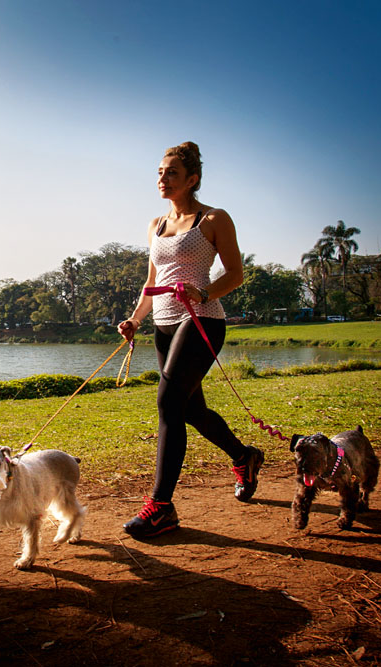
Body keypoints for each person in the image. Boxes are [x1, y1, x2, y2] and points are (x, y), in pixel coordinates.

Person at [117, 141, 264, 539]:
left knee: (167, 401)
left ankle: (161, 508)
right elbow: (152, 283)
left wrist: (205, 293)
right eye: (160, 172)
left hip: (201, 321)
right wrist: (134, 320)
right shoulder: (156, 226)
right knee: (190, 410)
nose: (162, 179)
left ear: (192, 180)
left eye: (172, 173)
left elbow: (236, 273)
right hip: (162, 324)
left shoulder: (214, 219)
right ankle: (244, 455)